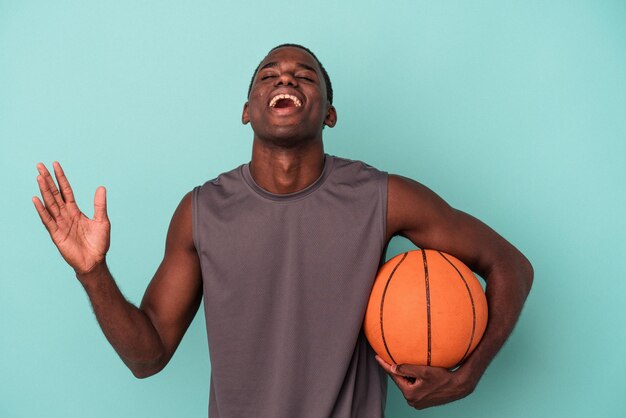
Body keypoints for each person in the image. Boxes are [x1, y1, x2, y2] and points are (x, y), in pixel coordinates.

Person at [33, 44, 533, 417]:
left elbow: (510, 265)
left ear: (329, 114)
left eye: (304, 75)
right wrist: (93, 273)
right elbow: (149, 356)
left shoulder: (383, 197)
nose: (285, 78)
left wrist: (468, 376)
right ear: (248, 110)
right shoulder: (202, 211)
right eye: (267, 75)